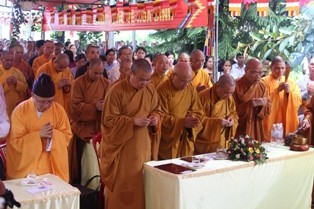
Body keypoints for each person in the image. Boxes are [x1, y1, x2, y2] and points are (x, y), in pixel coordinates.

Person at [100, 59, 161, 209]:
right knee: (122, 188)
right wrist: (132, 121)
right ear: (131, 74)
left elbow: (158, 110)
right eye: (141, 79)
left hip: (143, 148)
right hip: (123, 150)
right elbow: (108, 120)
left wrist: (155, 119)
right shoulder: (116, 91)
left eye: (147, 80)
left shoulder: (150, 90)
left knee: (141, 187)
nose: (144, 83)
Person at [6, 74, 72, 182]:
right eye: (42, 101)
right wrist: (38, 135)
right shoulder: (20, 111)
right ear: (32, 95)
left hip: (50, 165)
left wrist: (53, 135)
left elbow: (67, 136)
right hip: (26, 167)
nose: (46, 105)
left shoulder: (59, 111)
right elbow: (15, 142)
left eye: (50, 101)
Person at [68, 58, 109, 184]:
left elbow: (110, 104)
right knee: (84, 165)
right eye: (95, 73)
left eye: (100, 73)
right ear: (88, 69)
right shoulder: (78, 83)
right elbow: (74, 107)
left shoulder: (106, 83)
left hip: (99, 127)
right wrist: (94, 107)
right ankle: (84, 187)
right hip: (82, 128)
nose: (98, 76)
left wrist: (104, 107)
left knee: (99, 166)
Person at [157, 62, 203, 159]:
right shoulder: (162, 91)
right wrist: (182, 123)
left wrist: (193, 118)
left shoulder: (190, 88)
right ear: (174, 75)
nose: (186, 85)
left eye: (189, 81)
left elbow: (198, 110)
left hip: (186, 137)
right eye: (183, 81)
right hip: (169, 141)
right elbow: (160, 118)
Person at [195, 75, 238, 154]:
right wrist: (217, 122)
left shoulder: (229, 98)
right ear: (218, 86)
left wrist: (232, 120)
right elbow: (197, 119)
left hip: (223, 141)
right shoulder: (202, 97)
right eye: (226, 92)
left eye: (231, 93)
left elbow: (234, 113)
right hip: (206, 143)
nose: (228, 95)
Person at [262, 56, 301, 140]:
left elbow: (298, 101)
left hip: (286, 117)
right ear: (271, 67)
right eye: (277, 68)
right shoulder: (263, 81)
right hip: (271, 118)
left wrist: (288, 93)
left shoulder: (290, 82)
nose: (280, 71)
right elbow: (262, 101)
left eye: (283, 68)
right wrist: (277, 91)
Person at [233, 58, 271, 142]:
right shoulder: (236, 85)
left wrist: (263, 104)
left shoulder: (262, 86)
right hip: (240, 127)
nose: (258, 76)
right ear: (246, 71)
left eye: (260, 72)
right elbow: (230, 110)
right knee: (240, 152)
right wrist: (249, 104)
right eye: (254, 72)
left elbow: (268, 107)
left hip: (256, 125)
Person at [0, 51, 28, 116]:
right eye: (7, 60)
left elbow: (25, 87)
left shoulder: (17, 72)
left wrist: (17, 83)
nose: (9, 62)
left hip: (15, 103)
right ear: (1, 60)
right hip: (2, 103)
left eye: (11, 60)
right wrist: (5, 82)